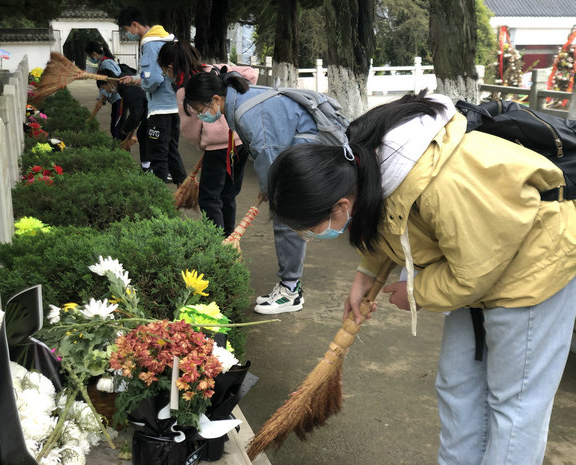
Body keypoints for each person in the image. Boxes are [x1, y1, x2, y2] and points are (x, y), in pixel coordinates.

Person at [267, 91, 576, 465]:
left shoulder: (441, 183)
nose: (310, 238)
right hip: (478, 266)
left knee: (514, 405)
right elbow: (392, 220)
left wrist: (414, 291)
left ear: (340, 206)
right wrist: (366, 273)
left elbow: (474, 270)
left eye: (310, 230)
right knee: (457, 387)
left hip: (533, 268)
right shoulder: (368, 169)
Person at [184, 71, 324, 315]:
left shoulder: (245, 113)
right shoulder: (241, 98)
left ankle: (290, 291)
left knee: (286, 217)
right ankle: (291, 285)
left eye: (199, 109)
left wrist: (270, 188)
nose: (199, 115)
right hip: (298, 152)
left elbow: (270, 152)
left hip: (306, 153)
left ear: (216, 100)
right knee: (284, 214)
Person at [157, 40, 258, 236]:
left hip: (217, 149)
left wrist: (202, 143)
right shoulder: (215, 70)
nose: (166, 75)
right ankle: (228, 239)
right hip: (240, 141)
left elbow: (190, 130)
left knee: (209, 198)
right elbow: (252, 74)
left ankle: (217, 241)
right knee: (229, 194)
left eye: (164, 71)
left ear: (170, 67)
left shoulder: (185, 91)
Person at [117, 6, 186, 184]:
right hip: (173, 105)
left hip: (159, 110)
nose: (128, 34)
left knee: (158, 157)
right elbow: (160, 74)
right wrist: (134, 79)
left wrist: (144, 86)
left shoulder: (149, 44)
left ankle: (159, 197)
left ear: (134, 25)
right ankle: (184, 192)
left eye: (127, 30)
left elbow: (154, 78)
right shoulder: (166, 39)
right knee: (172, 152)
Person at [97, 69, 148, 169]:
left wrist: (125, 130)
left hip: (156, 112)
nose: (105, 91)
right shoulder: (124, 86)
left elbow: (135, 115)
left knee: (146, 137)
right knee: (143, 134)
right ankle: (146, 167)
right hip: (150, 110)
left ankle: (149, 168)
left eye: (103, 88)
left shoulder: (128, 90)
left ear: (109, 82)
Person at [85, 41, 124, 139]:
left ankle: (121, 151)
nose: (90, 58)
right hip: (116, 100)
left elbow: (113, 84)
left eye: (90, 56)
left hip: (119, 100)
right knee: (116, 128)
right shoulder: (105, 62)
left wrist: (102, 99)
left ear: (94, 54)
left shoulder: (106, 64)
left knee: (116, 129)